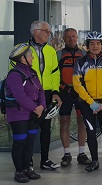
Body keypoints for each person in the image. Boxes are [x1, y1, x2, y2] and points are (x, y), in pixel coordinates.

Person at [72, 31, 102, 172]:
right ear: (87, 45)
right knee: (90, 132)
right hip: (87, 103)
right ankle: (95, 161)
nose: (95, 46)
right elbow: (77, 84)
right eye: (92, 43)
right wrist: (90, 102)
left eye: (98, 43)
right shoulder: (80, 62)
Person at [6, 43, 44, 183]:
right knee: (20, 142)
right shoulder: (14, 75)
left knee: (29, 142)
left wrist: (41, 106)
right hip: (18, 115)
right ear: (22, 59)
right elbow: (20, 96)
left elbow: (41, 91)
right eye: (30, 55)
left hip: (33, 113)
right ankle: (19, 171)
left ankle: (27, 168)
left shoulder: (32, 72)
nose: (33, 57)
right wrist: (36, 108)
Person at [28, 20, 62, 170]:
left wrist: (55, 92)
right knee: (29, 128)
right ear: (36, 32)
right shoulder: (22, 49)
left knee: (46, 128)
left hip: (47, 93)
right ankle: (27, 161)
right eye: (46, 31)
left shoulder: (51, 51)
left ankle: (45, 160)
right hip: (30, 94)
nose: (49, 34)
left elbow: (55, 73)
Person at [56, 28, 91, 167]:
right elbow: (54, 75)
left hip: (80, 92)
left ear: (77, 38)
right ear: (64, 38)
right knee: (64, 121)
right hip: (64, 92)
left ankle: (82, 153)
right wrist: (63, 88)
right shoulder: (59, 54)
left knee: (82, 121)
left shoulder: (83, 54)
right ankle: (66, 154)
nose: (72, 39)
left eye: (74, 36)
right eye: (69, 37)